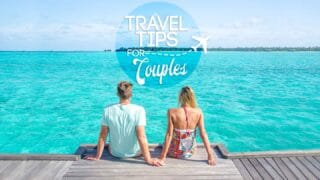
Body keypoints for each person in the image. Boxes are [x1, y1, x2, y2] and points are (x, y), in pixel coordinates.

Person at [85, 81, 161, 166]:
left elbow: (103, 136)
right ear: (131, 94)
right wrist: (149, 159)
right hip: (135, 153)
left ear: (118, 94)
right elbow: (141, 137)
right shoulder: (139, 110)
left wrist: (97, 156)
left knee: (110, 143)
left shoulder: (107, 110)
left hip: (115, 153)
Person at [157, 86, 216, 165]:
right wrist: (210, 156)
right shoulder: (199, 112)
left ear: (180, 97)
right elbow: (203, 134)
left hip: (174, 152)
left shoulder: (171, 112)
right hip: (190, 152)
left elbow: (169, 135)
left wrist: (162, 157)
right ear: (192, 97)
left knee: (163, 143)